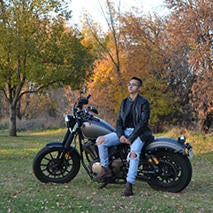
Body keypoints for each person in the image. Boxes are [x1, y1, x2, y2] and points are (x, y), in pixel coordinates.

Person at [95, 76, 154, 196]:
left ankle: (129, 186)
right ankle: (106, 169)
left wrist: (131, 138)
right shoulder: (124, 102)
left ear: (139, 88)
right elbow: (119, 121)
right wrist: (120, 135)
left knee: (133, 154)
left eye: (134, 84)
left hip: (139, 133)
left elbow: (143, 123)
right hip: (125, 132)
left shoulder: (144, 102)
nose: (130, 86)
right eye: (129, 84)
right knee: (100, 140)